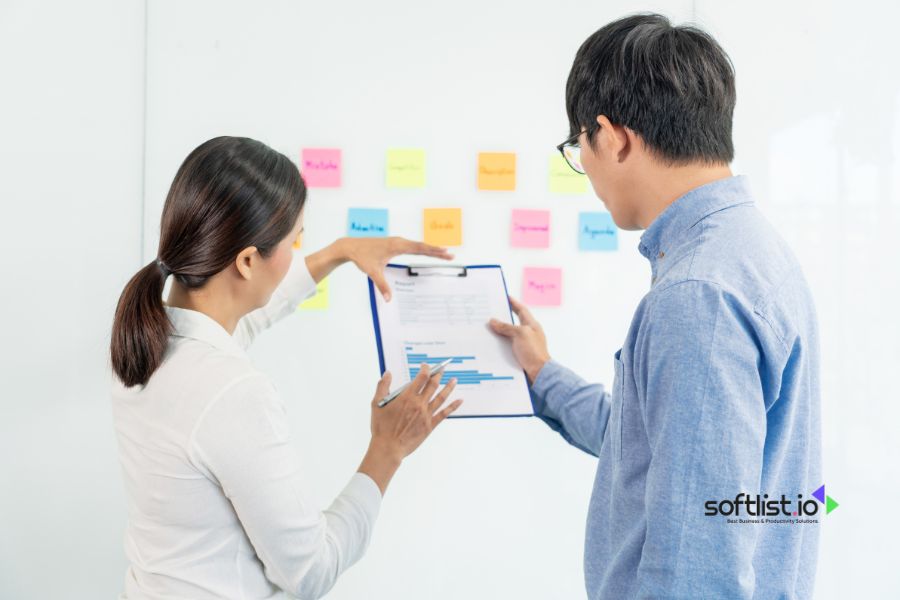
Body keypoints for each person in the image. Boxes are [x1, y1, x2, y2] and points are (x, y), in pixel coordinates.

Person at [489, 14, 821, 599]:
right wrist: (542, 374)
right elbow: (651, 449)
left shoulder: (698, 297)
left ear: (613, 137)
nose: (584, 167)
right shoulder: (751, 253)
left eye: (578, 147)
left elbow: (699, 567)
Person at [109, 135, 463, 599]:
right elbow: (310, 571)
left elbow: (246, 319)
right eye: (294, 240)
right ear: (248, 261)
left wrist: (338, 252)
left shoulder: (144, 338)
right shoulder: (231, 392)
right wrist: (387, 449)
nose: (297, 251)